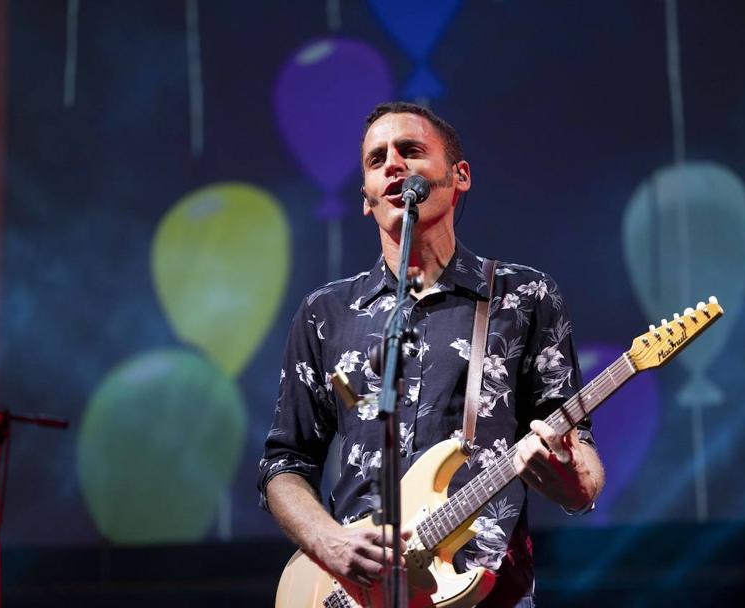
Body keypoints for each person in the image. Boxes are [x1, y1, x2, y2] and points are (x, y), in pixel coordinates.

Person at [258, 101, 605, 607]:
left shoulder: (524, 298)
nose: (393, 165)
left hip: (486, 592)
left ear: (459, 176)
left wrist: (566, 470)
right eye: (377, 161)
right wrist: (329, 543)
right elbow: (284, 464)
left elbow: (585, 480)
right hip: (352, 594)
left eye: (411, 151)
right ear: (366, 198)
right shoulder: (325, 313)